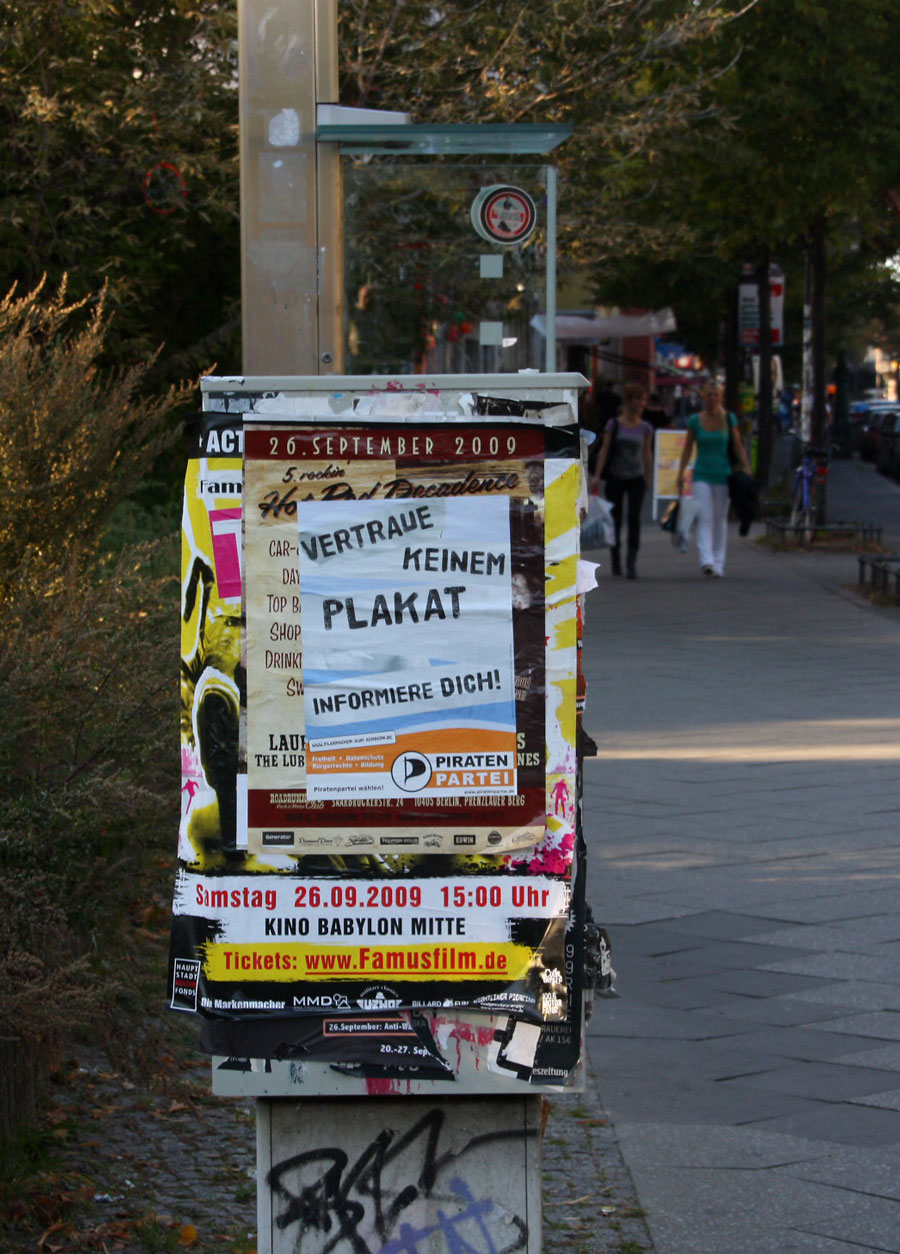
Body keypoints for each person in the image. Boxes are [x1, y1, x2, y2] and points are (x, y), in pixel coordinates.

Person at [676, 379, 751, 578]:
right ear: (704, 397)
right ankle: (706, 560)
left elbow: (737, 445)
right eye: (709, 394)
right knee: (705, 516)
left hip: (723, 474)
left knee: (720, 518)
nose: (712, 398)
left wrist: (746, 468)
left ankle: (719, 562)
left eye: (715, 395)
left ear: (721, 397)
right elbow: (687, 447)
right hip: (701, 473)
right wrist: (681, 472)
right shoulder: (695, 420)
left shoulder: (729, 419)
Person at [591, 380, 653, 579]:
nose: (641, 404)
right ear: (628, 401)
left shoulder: (645, 427)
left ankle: (631, 561)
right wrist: (597, 475)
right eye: (637, 400)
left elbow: (647, 453)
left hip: (637, 477)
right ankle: (616, 558)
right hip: (616, 476)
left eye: (643, 400)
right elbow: (604, 449)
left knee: (634, 518)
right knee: (615, 519)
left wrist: (649, 476)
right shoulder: (614, 424)